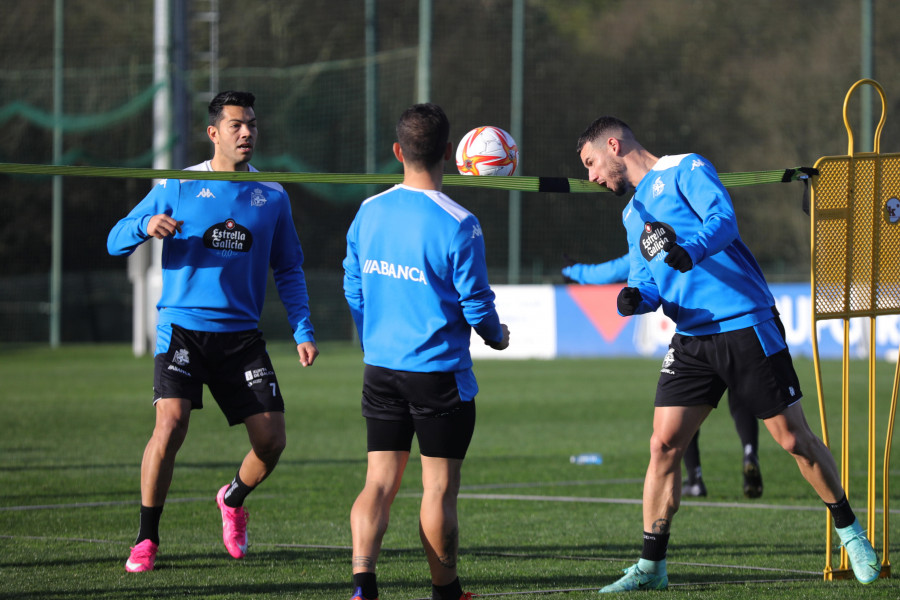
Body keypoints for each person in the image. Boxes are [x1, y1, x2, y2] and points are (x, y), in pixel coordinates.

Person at [576, 116, 880, 591]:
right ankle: (652, 566)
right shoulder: (632, 213)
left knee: (793, 440)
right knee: (663, 446)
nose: (593, 177)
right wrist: (637, 298)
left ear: (613, 145)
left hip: (744, 322)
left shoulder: (686, 168)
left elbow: (723, 221)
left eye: (592, 163)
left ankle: (853, 535)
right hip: (692, 339)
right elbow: (646, 278)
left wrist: (690, 252)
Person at [107, 90, 319, 573]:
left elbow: (289, 268)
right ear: (213, 133)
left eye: (252, 125)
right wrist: (145, 224)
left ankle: (232, 498)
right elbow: (114, 239)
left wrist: (302, 328)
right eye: (236, 125)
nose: (246, 133)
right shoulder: (178, 184)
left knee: (272, 442)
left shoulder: (273, 196)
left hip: (242, 338)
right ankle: (146, 538)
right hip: (182, 329)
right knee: (171, 424)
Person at [343, 103, 510, 600]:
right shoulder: (459, 222)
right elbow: (476, 302)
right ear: (448, 153)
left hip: (381, 369)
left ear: (398, 151)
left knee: (378, 483)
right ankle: (445, 592)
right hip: (438, 375)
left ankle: (362, 586)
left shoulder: (368, 210)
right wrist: (496, 335)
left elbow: (354, 286)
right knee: (437, 488)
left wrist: (370, 334)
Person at [562, 254, 763, 499]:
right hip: (738, 323)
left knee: (682, 410)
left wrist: (575, 271)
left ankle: (696, 478)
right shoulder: (709, 236)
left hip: (697, 332)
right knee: (741, 397)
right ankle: (749, 451)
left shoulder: (654, 240)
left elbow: (615, 269)